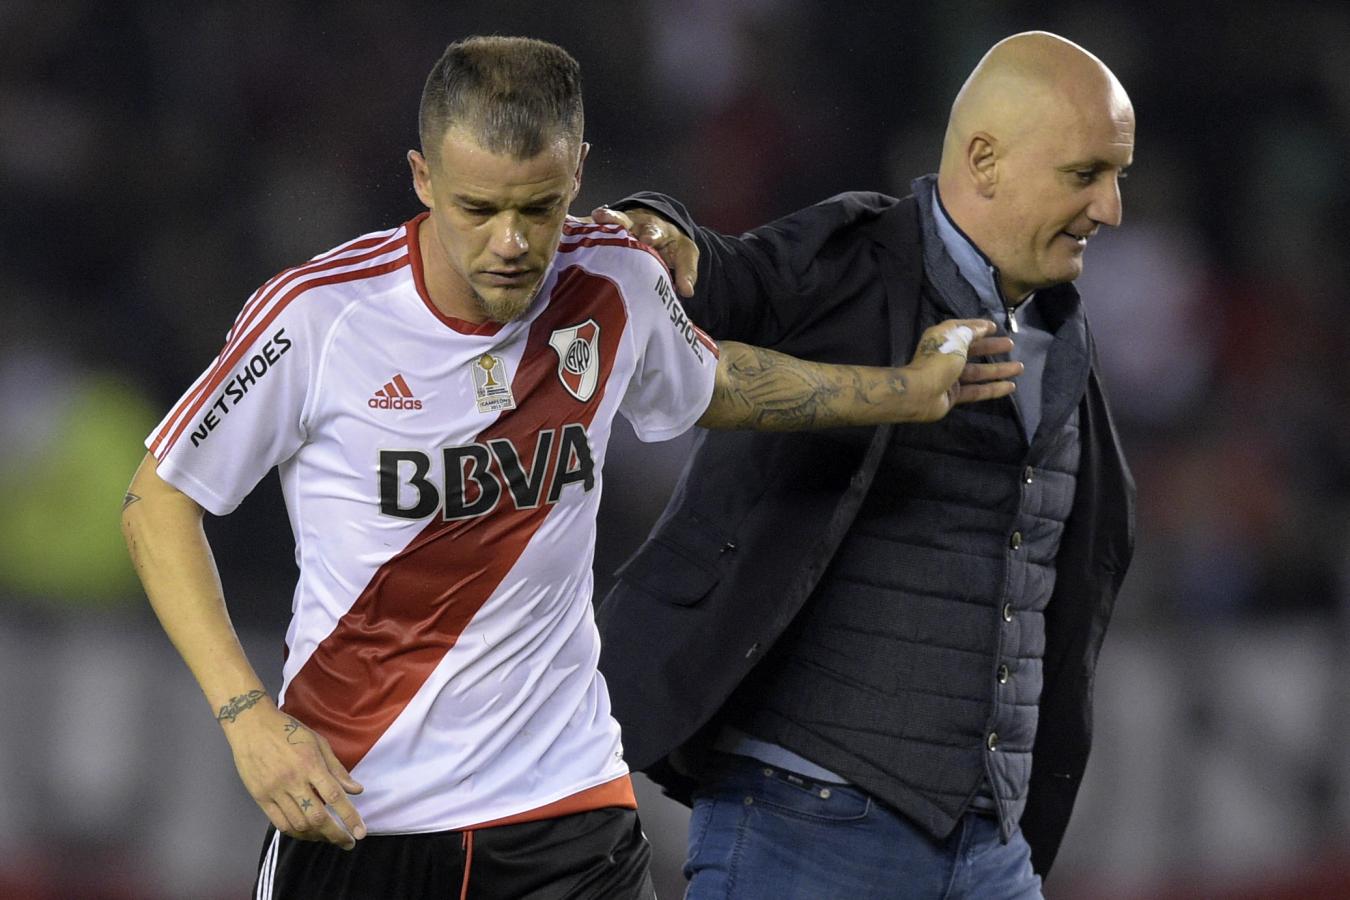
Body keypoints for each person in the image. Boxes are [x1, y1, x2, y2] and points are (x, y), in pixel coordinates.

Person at [119, 36, 1021, 900]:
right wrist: (248, 719)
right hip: (362, 810)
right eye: (478, 208)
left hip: (566, 806)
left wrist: (908, 391)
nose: (511, 241)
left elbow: (715, 379)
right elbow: (157, 502)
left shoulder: (617, 279)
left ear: (579, 173)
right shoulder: (320, 318)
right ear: (422, 177)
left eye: (539, 206)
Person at [593, 31, 1136, 899]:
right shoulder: (853, 258)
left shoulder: (1062, 334)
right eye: (1085, 174)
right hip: (802, 828)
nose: (1110, 208)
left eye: (1118, 176)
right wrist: (661, 225)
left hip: (989, 850)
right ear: (985, 160)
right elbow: (717, 276)